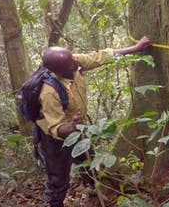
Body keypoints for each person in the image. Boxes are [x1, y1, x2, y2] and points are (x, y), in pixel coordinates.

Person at [35, 36, 151, 207]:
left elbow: (101, 56)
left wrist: (136, 48)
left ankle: (94, 190)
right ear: (60, 71)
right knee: (58, 177)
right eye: (71, 63)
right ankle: (55, 203)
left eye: (73, 58)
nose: (76, 62)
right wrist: (71, 127)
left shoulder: (73, 62)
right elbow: (55, 128)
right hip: (54, 138)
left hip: (78, 128)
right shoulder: (49, 92)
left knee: (88, 160)